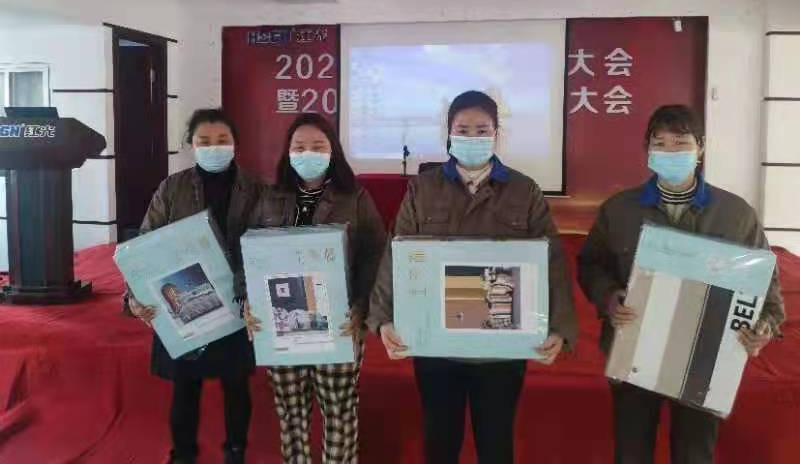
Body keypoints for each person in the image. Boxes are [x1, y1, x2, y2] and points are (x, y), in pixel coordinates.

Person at [367, 90, 578, 464]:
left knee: (495, 443)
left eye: (482, 130)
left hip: (501, 345)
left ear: (497, 133)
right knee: (440, 441)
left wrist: (559, 327)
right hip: (437, 341)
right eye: (463, 129)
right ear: (449, 132)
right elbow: (395, 253)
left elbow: (553, 261)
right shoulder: (423, 188)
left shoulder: (524, 190)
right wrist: (383, 319)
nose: (473, 137)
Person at [577, 104, 785, 464]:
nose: (670, 152)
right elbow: (591, 265)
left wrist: (763, 326)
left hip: (706, 356)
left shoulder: (736, 214)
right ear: (647, 150)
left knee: (694, 454)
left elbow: (766, 287)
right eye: (660, 144)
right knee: (631, 451)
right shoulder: (619, 210)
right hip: (636, 349)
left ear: (700, 147)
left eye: (681, 143)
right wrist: (610, 298)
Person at [244, 113, 386, 464]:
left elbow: (375, 256)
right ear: (288, 152)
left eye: (318, 146)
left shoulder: (355, 198)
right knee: (291, 410)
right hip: (282, 320)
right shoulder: (269, 197)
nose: (308, 153)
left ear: (333, 151)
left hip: (339, 320)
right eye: (300, 146)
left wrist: (361, 308)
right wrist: (247, 301)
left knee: (338, 407)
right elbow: (249, 254)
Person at [124, 109, 261, 464]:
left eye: (222, 140)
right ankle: (183, 455)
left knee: (236, 384)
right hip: (185, 301)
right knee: (185, 386)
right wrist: (134, 295)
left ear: (235, 144)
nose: (214, 147)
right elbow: (144, 244)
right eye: (204, 141)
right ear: (191, 145)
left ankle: (235, 452)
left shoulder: (257, 189)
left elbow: (266, 245)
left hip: (239, 301)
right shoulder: (172, 188)